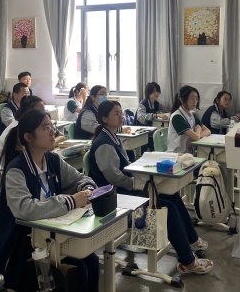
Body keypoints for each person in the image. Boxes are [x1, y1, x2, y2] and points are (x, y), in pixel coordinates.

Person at [88, 100, 213, 275]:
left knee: (172, 196)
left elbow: (124, 169)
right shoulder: (104, 144)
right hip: (115, 199)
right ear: (104, 118)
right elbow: (113, 177)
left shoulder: (112, 136)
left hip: (125, 191)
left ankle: (191, 240)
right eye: (115, 114)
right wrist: (136, 184)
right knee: (167, 208)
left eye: (121, 112)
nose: (121, 116)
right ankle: (188, 262)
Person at [0, 109, 99, 291]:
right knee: (79, 270)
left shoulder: (52, 160)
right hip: (22, 245)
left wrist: (87, 190)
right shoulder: (16, 170)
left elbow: (80, 178)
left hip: (52, 238)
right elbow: (25, 209)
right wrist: (71, 201)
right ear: (28, 137)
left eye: (52, 126)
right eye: (45, 127)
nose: (52, 131)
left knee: (92, 261)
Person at [0, 95, 66, 172]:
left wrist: (48, 144)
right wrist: (46, 145)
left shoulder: (41, 125)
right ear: (28, 113)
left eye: (43, 110)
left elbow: (61, 136)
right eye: (39, 111)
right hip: (5, 172)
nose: (42, 113)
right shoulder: (19, 129)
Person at [167, 86, 211, 153]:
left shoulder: (191, 115)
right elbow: (196, 137)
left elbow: (208, 131)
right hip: (177, 154)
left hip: (187, 153)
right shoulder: (177, 117)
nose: (195, 101)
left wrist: (192, 138)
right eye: (192, 98)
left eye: (196, 99)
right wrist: (198, 130)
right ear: (182, 100)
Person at [134, 82, 169, 151]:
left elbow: (163, 109)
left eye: (157, 91)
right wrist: (156, 115)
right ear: (148, 93)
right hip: (140, 130)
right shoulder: (143, 104)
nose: (156, 93)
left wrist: (159, 113)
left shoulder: (156, 103)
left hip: (149, 130)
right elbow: (141, 117)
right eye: (154, 91)